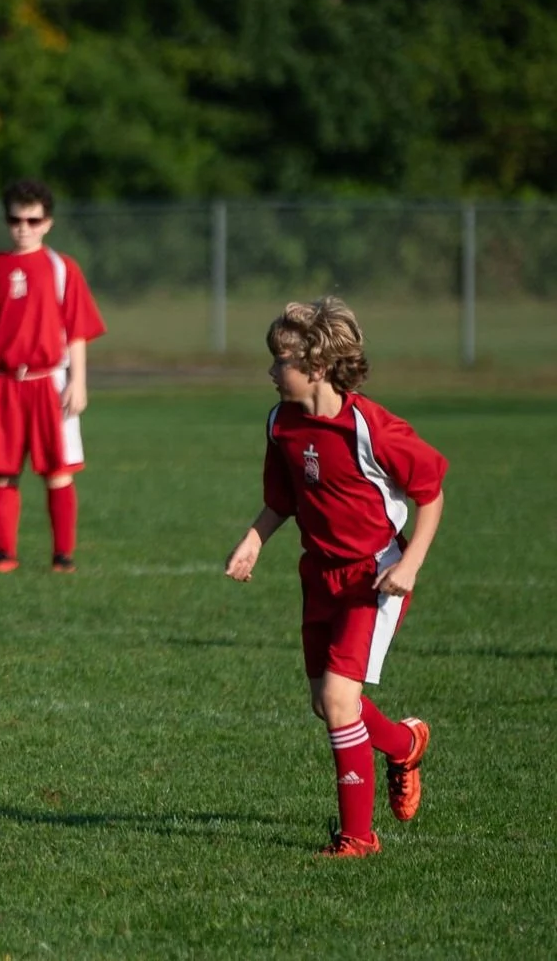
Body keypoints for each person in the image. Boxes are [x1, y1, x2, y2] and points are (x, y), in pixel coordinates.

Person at [224, 297, 444, 858]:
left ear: (316, 368)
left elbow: (431, 492)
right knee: (327, 701)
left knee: (341, 700)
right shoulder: (282, 423)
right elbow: (281, 501)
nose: (272, 372)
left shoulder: (371, 427)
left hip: (373, 577)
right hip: (317, 574)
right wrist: (254, 538)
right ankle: (403, 744)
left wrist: (410, 563)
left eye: (281, 362)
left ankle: (358, 838)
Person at [0, 178, 106, 573]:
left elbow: (77, 331)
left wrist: (78, 380)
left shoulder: (61, 269)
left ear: (48, 222)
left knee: (58, 471)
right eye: (16, 219)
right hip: (2, 382)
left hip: (49, 381)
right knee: (3, 472)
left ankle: (63, 556)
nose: (24, 227)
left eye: (33, 219)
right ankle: (5, 554)